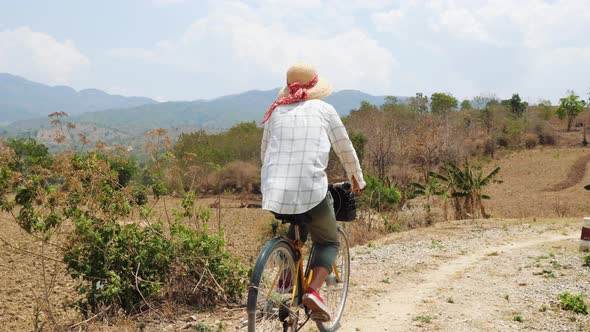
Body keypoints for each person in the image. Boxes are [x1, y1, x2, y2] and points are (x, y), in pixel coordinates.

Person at [260, 63, 365, 321]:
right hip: (310, 190)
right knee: (328, 241)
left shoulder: (275, 112)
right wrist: (357, 179)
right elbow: (345, 148)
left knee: (297, 221)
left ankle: (286, 274)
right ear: (315, 87)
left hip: (274, 191)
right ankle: (314, 292)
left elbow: (265, 154)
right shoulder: (325, 110)